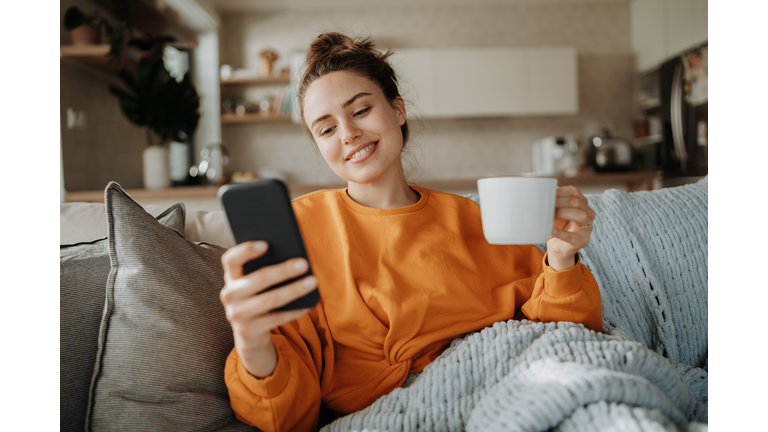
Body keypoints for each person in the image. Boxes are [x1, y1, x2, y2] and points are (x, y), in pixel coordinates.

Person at [219, 32, 601, 432]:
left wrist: (561, 257)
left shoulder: (474, 220)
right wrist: (251, 340)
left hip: (511, 388)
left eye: (361, 110)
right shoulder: (299, 230)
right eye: (326, 129)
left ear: (398, 110)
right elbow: (283, 416)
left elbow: (564, 333)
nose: (347, 133)